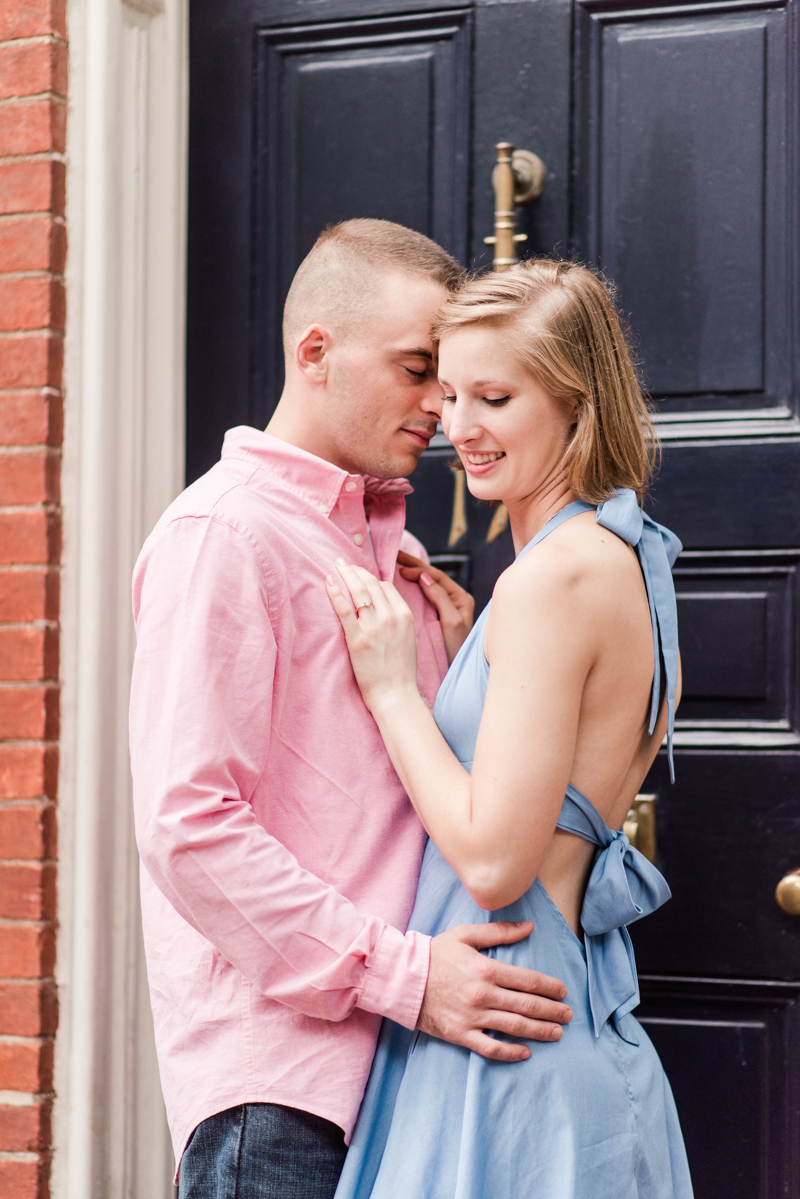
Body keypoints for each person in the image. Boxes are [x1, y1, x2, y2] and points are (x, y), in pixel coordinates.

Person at [129, 221, 574, 1199]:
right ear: (315, 352)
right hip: (282, 1095)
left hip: (406, 1075)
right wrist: (408, 975)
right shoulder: (224, 534)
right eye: (419, 369)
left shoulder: (397, 559)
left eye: (454, 381)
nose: (440, 409)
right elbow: (187, 826)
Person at [327, 259, 694, 1198]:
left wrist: (395, 690)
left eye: (494, 396)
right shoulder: (628, 557)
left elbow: (496, 862)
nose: (458, 428)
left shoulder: (550, 579)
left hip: (504, 1035)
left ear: (578, 403)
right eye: (448, 392)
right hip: (558, 1009)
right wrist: (471, 664)